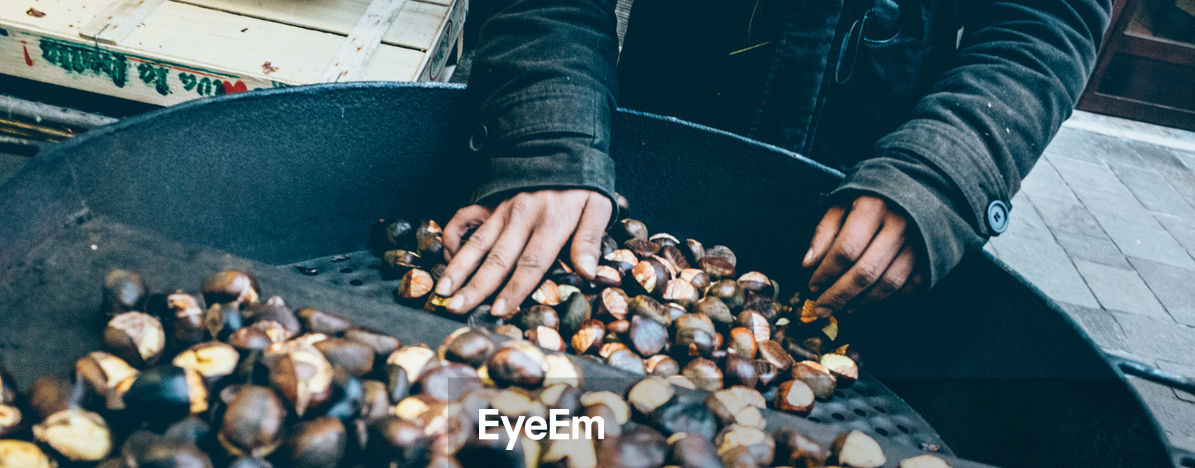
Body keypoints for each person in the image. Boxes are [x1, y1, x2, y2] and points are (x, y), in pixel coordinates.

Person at [433, 0, 1111, 318]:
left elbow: (1044, 21)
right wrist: (548, 135)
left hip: (863, 220)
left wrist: (942, 169)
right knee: (550, 432)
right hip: (625, 187)